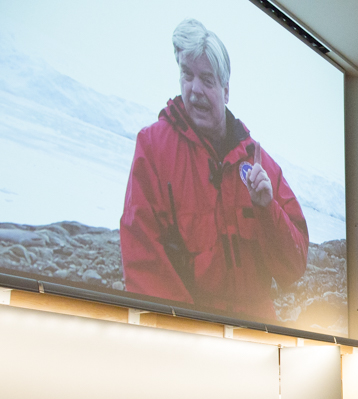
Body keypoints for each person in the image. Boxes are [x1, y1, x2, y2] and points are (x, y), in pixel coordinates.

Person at [120, 19, 309, 322]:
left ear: (226, 90)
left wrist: (267, 210)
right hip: (190, 328)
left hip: (256, 331)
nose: (194, 89)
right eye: (187, 75)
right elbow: (141, 255)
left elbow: (295, 265)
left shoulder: (261, 165)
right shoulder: (153, 146)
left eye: (207, 79)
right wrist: (184, 331)